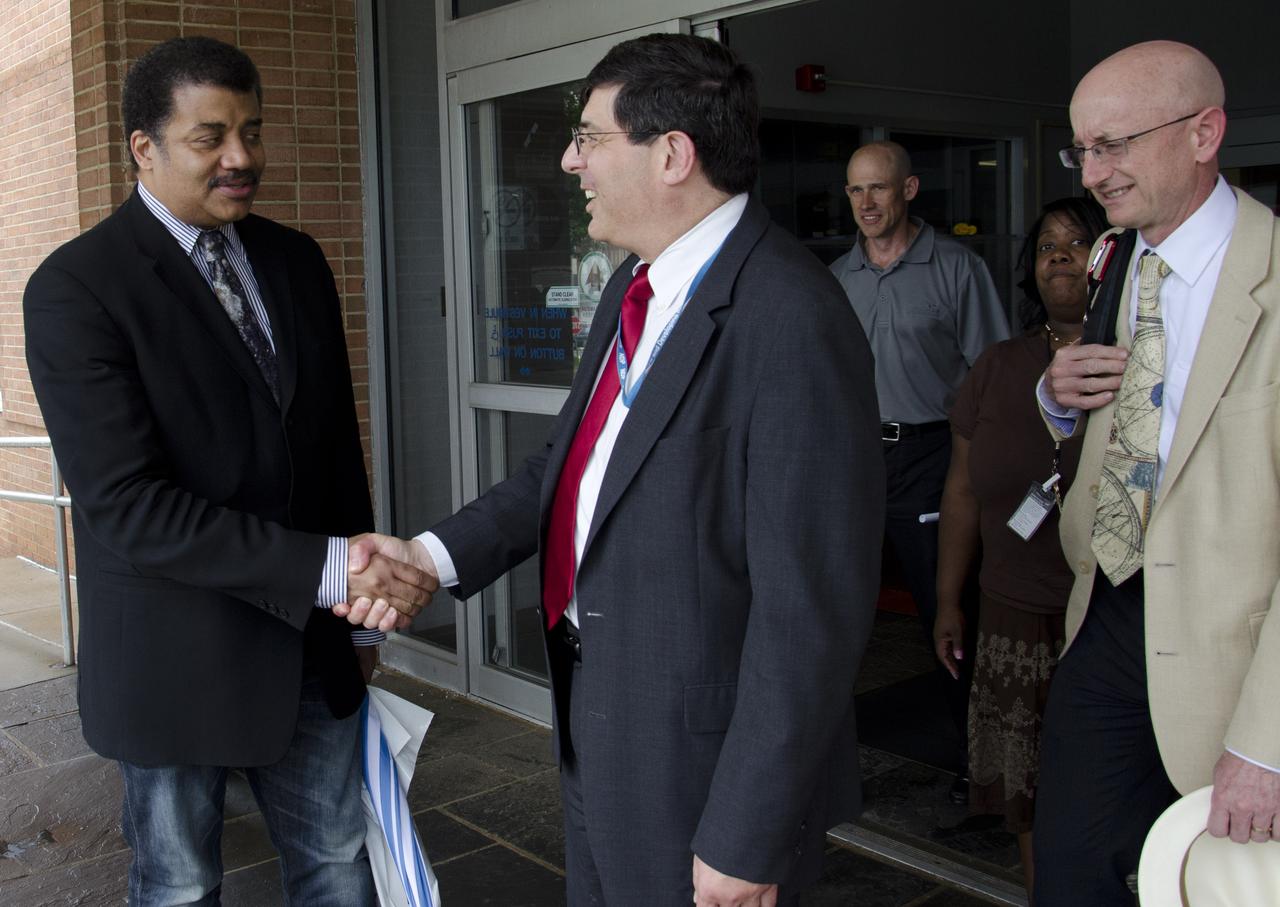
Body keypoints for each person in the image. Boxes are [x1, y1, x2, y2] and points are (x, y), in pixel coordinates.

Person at [341, 33, 884, 906]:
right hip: (602, 722)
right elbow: (567, 468)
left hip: (704, 769)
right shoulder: (637, 286)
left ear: (673, 154)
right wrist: (427, 559)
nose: (569, 161)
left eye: (589, 138)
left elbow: (809, 614)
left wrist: (749, 830)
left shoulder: (791, 318)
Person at [23, 37, 434, 905]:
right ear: (145, 147)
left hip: (311, 650)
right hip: (174, 666)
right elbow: (127, 505)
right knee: (178, 886)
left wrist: (359, 622)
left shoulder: (297, 260)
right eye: (211, 137)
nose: (241, 157)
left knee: (335, 868)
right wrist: (331, 567)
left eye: (252, 130)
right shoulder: (78, 288)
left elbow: (333, 454)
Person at [1033, 40, 1280, 905]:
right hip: (1107, 607)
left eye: (1116, 144)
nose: (1094, 172)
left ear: (1205, 132)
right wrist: (1057, 396)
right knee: (1071, 877)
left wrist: (1267, 741)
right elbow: (1122, 416)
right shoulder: (1114, 261)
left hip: (1238, 654)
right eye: (1082, 149)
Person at [932, 196, 1107, 899]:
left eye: (1076, 242)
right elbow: (962, 492)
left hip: (1102, 615)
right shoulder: (998, 367)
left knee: (1101, 786)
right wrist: (949, 597)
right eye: (1045, 247)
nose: (1059, 255)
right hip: (1010, 613)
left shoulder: (1146, 359)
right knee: (1028, 792)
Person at [830, 140, 1009, 791]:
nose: (866, 203)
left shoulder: (955, 268)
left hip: (935, 454)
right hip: (856, 458)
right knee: (835, 604)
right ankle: (825, 760)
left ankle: (982, 770)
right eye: (855, 190)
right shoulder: (839, 277)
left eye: (878, 188)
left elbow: (990, 378)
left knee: (949, 609)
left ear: (908, 190)